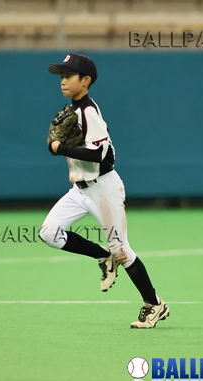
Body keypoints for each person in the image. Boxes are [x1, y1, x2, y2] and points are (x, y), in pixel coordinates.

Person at [40, 53, 170, 329]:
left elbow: (98, 155)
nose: (63, 81)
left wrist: (61, 148)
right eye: (61, 76)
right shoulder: (72, 110)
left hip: (103, 189)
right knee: (49, 233)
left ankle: (155, 304)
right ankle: (102, 255)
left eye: (68, 76)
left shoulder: (88, 111)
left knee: (121, 250)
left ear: (85, 81)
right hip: (80, 190)